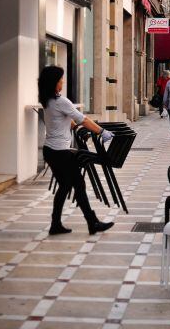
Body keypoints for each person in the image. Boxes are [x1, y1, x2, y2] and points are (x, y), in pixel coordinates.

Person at [39, 66, 115, 235]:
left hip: (51, 151)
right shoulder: (61, 101)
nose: (63, 82)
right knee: (73, 185)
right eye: (60, 80)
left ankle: (61, 223)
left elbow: (67, 121)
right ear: (54, 83)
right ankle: (90, 222)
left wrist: (75, 127)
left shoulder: (47, 100)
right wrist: (102, 132)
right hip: (60, 152)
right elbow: (84, 119)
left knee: (68, 186)